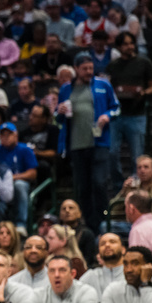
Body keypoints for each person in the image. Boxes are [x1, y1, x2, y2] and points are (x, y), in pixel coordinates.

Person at [56, 53, 120, 232]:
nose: (89, 72)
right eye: (84, 69)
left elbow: (116, 108)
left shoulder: (103, 85)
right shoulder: (66, 89)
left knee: (99, 182)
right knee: (83, 187)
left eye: (91, 68)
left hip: (99, 143)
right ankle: (90, 224)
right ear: (76, 69)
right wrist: (59, 112)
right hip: (76, 145)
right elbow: (57, 119)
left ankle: (103, 220)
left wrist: (107, 116)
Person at [107, 32, 152, 187]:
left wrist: (143, 93)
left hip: (137, 114)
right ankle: (120, 185)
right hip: (116, 115)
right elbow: (108, 88)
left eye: (131, 43)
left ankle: (138, 186)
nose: (129, 47)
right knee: (111, 152)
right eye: (125, 44)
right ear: (119, 47)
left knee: (137, 156)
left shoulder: (144, 63)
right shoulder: (113, 66)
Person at [0, 123, 37, 233]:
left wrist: (12, 177)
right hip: (2, 185)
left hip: (21, 183)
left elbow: (33, 173)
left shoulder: (25, 149)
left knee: (19, 185)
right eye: (3, 135)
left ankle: (21, 224)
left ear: (16, 135)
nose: (6, 137)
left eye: (8, 134)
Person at [79, 232, 125, 299]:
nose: (107, 245)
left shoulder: (131, 274)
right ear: (99, 253)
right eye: (102, 244)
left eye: (112, 242)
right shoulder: (91, 276)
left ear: (123, 249)